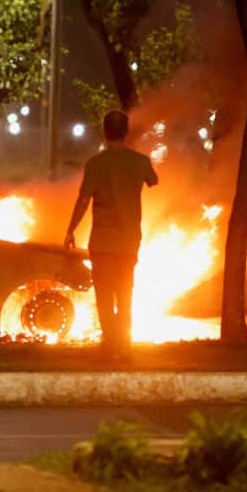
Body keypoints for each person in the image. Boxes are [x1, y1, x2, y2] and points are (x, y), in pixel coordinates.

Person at [64, 110, 158, 361]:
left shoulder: (96, 164)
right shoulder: (140, 161)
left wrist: (71, 229)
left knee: (104, 296)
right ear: (126, 132)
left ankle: (110, 346)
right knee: (125, 294)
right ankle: (124, 346)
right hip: (129, 242)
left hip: (103, 242)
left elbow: (83, 200)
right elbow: (153, 180)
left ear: (104, 132)